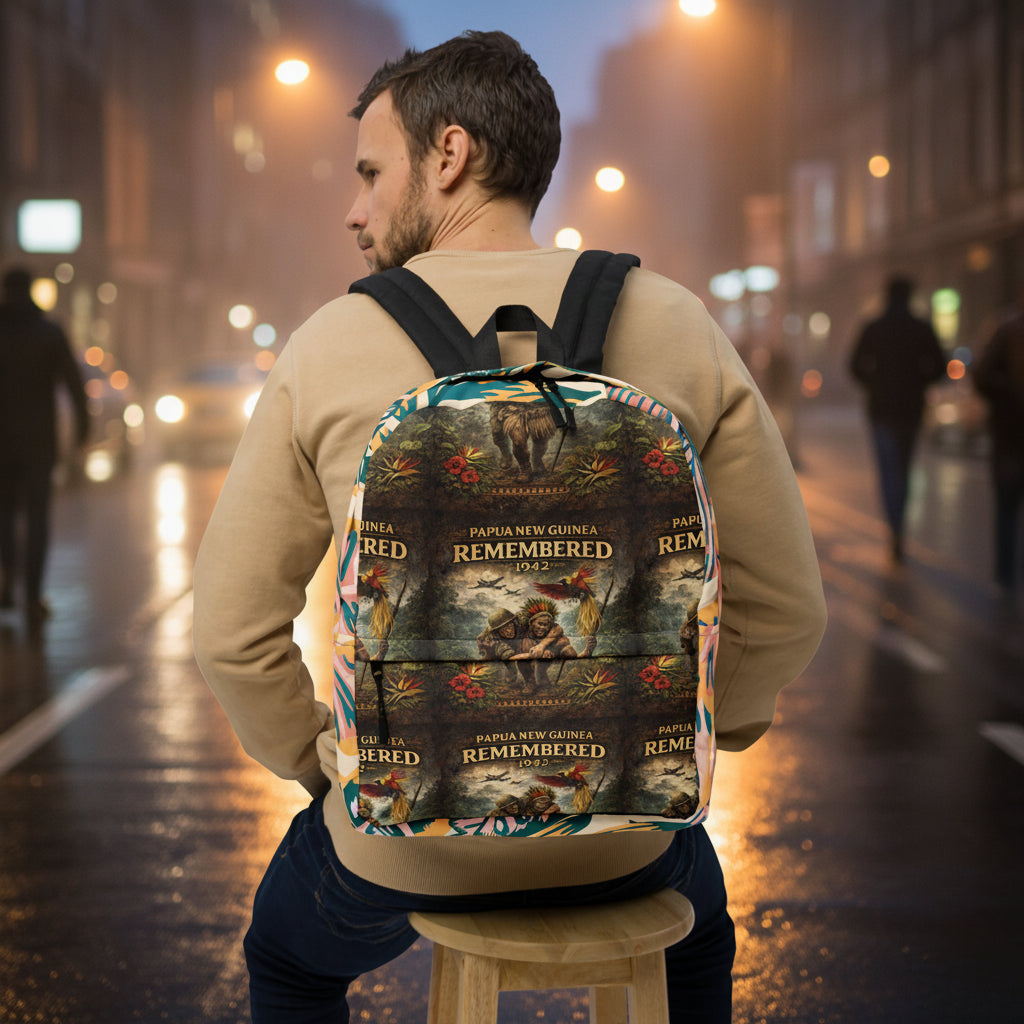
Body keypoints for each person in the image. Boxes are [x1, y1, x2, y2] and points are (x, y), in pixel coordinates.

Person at [193, 31, 826, 1024]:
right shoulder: (675, 322)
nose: (353, 210)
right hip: (625, 832)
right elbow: (786, 608)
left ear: (447, 156)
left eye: (370, 172)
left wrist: (330, 765)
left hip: (404, 838)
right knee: (700, 931)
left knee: (289, 958)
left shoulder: (331, 344)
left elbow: (231, 633)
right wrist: (702, 729)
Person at [0, 266, 89, 628]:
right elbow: (74, 383)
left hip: (2, 444)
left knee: (4, 516)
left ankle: (8, 580)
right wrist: (82, 431)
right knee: (38, 520)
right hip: (39, 444)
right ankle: (33, 596)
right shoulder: (49, 333)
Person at [849, 275, 946, 562]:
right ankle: (898, 527)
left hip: (881, 410)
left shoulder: (874, 327)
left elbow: (854, 365)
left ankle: (894, 529)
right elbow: (939, 366)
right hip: (911, 410)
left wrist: (874, 383)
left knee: (888, 472)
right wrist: (920, 381)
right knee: (904, 471)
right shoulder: (922, 328)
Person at [972, 290, 1024, 595]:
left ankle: (1005, 577)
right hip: (1009, 434)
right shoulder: (1006, 330)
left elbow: (982, 376)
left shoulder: (1006, 329)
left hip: (1008, 435)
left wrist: (1003, 399)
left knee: (1006, 509)